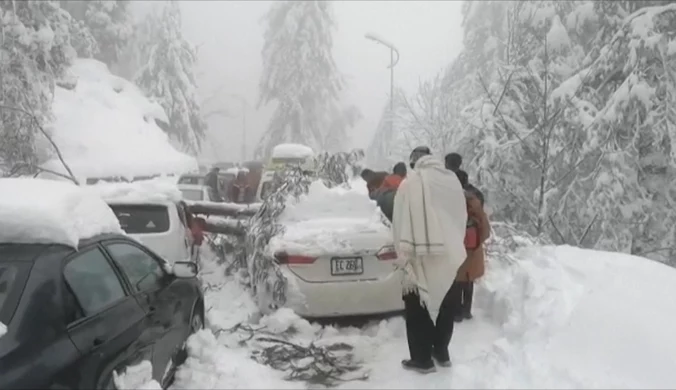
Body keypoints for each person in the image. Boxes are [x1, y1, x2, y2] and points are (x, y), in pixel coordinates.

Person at [392, 146, 468, 373]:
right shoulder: (451, 181)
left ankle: (422, 358)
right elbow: (460, 215)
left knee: (417, 308)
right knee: (446, 303)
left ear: (414, 163)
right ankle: (441, 352)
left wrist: (401, 250)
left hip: (419, 255)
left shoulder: (410, 184)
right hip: (450, 254)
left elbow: (399, 221)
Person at [453, 169, 490, 322]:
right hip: (472, 247)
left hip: (455, 246)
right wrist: (477, 243)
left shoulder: (450, 199)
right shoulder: (476, 198)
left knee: (455, 280)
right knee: (468, 279)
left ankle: (455, 312)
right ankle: (466, 310)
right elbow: (485, 229)